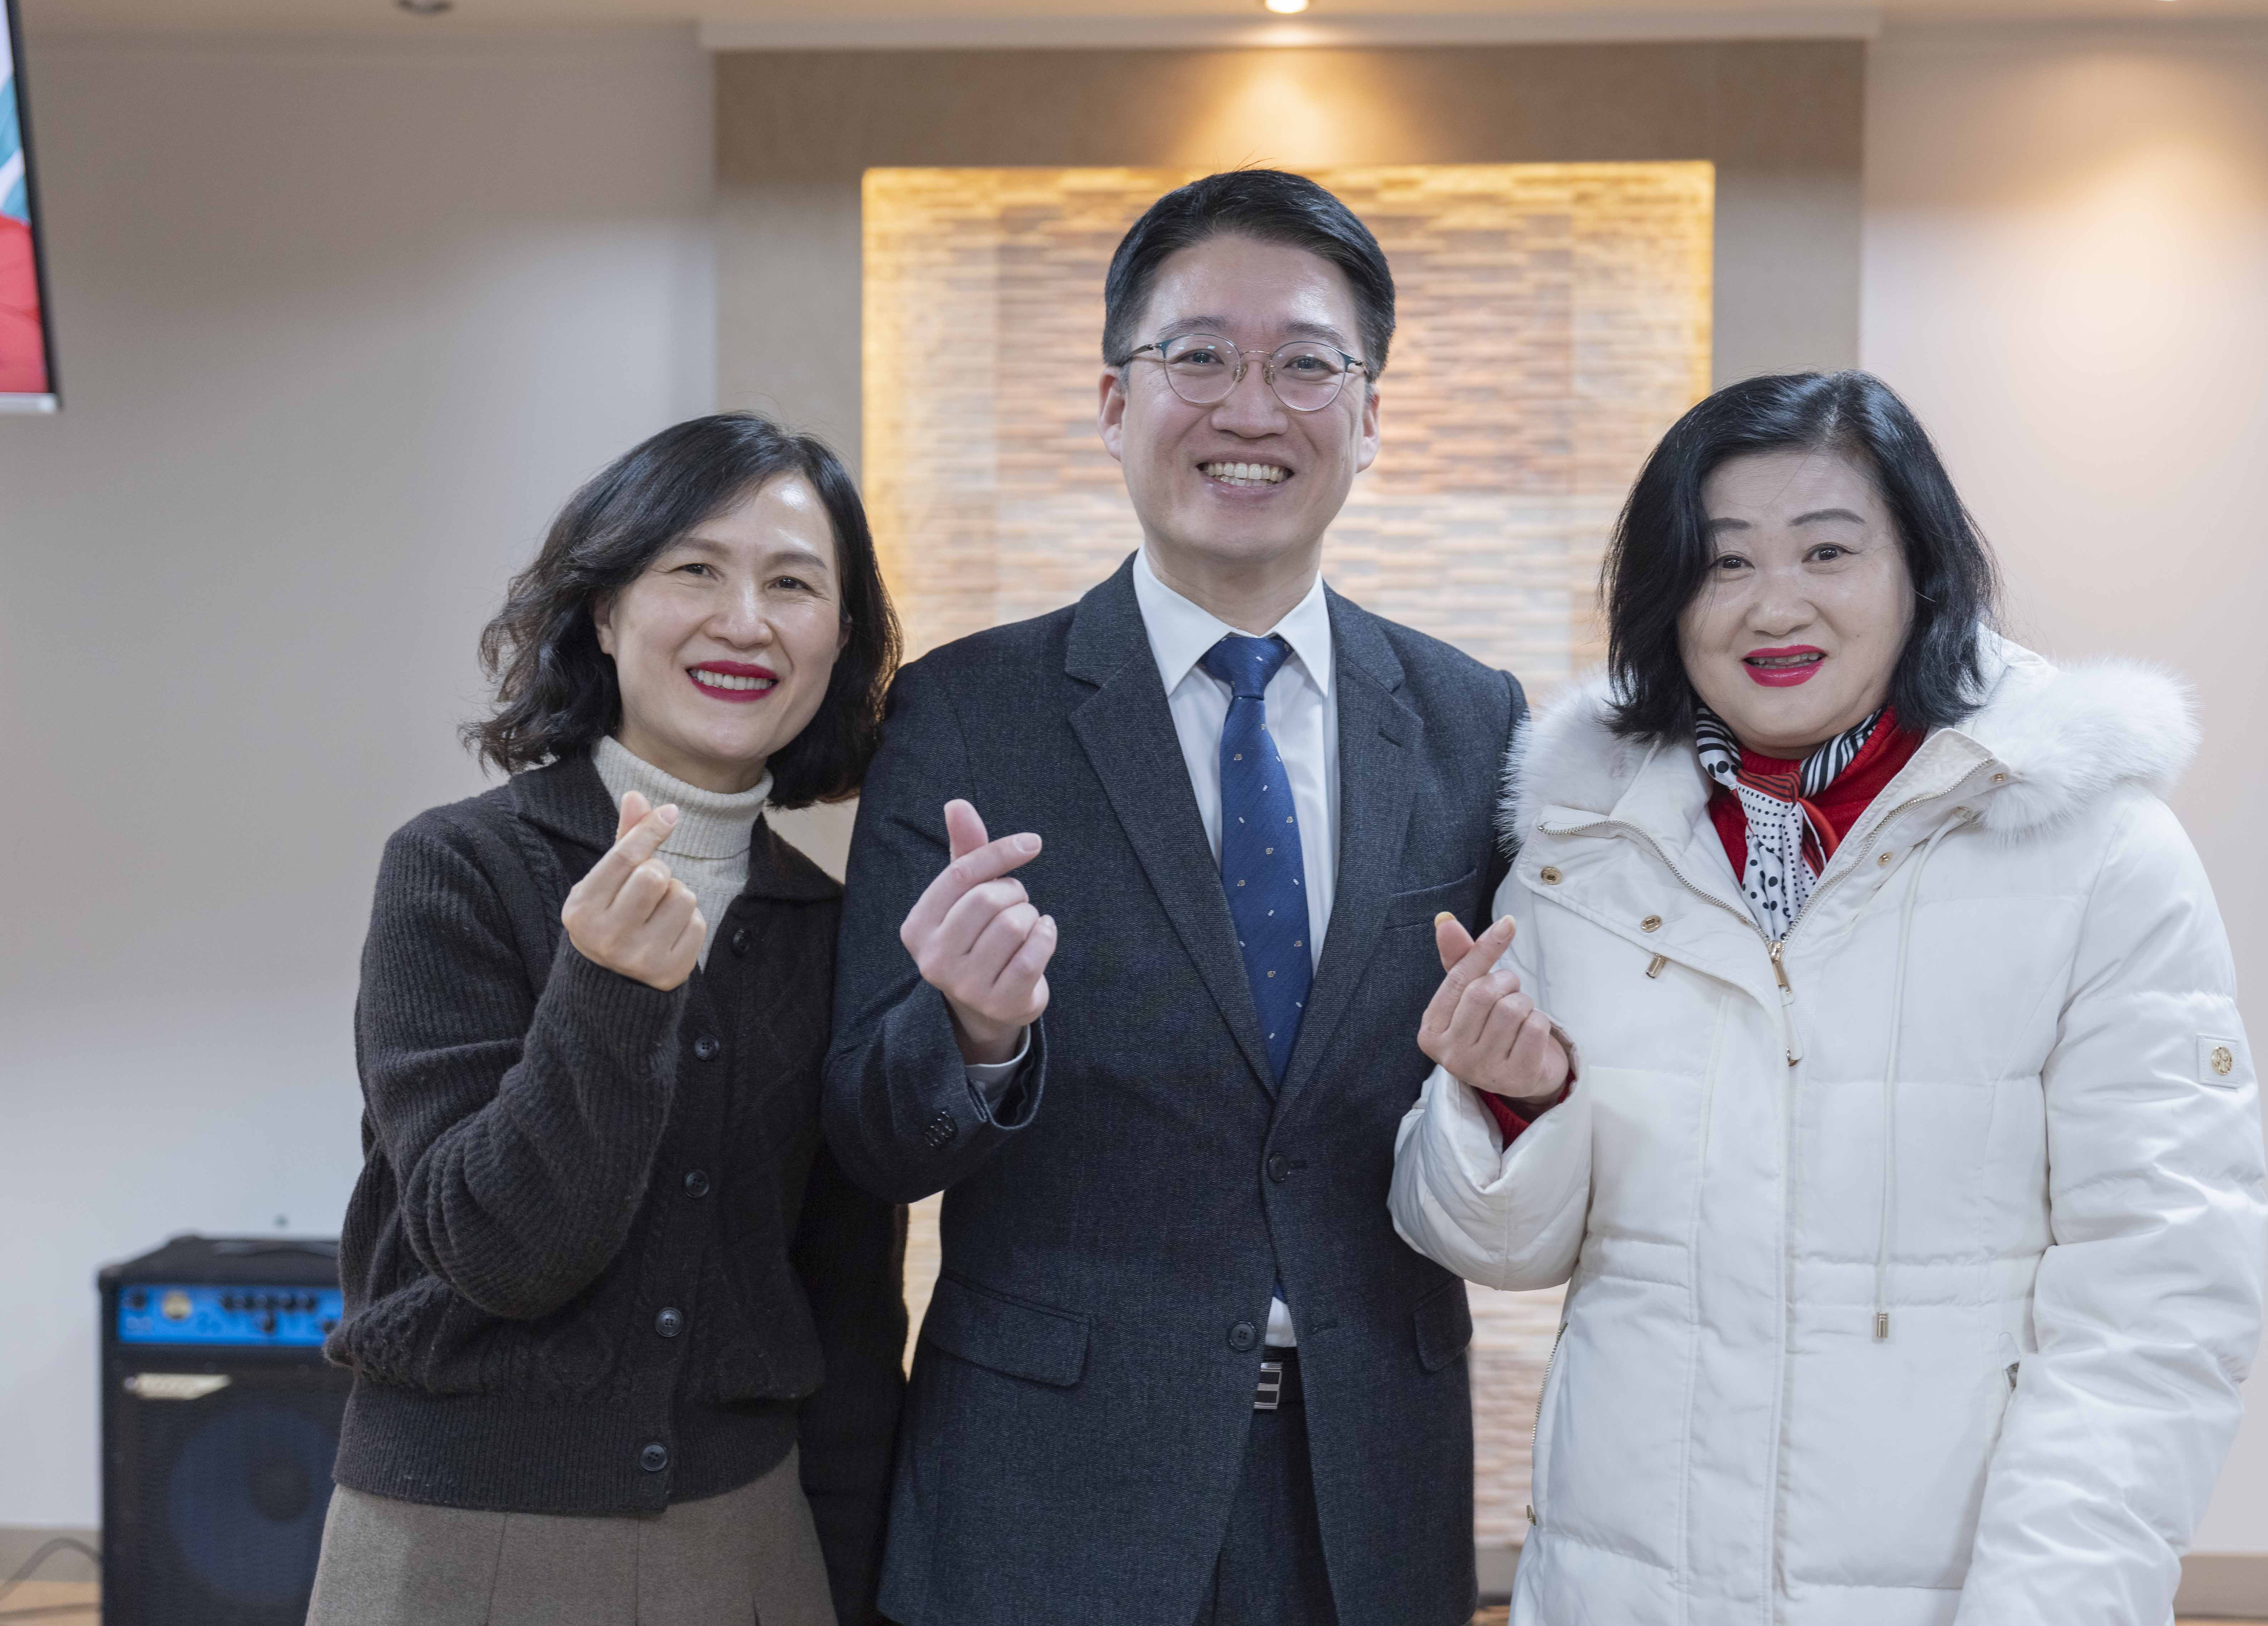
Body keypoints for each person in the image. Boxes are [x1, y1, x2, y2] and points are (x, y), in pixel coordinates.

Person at [1390, 370, 2268, 1625]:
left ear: (1922, 572)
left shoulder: (2096, 854)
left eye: (1828, 551)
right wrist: (1513, 1104)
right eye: (1725, 562)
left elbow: (2161, 1292)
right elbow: (1501, 1249)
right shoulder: (1583, 848)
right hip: (1627, 1587)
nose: (1775, 604)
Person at [823, 169, 1524, 1626]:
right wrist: (971, 1036)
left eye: (1307, 364)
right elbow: (868, 1140)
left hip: (1367, 1488)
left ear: (1370, 414)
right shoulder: (965, 713)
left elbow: (1512, 1111)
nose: (1251, 409)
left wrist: (1524, 1083)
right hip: (1047, 1492)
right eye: (1199, 356)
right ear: (1112, 401)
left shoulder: (1473, 723)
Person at [310, 414, 908, 1626]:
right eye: (696, 569)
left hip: (752, 1548)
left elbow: (849, 1319)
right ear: (604, 610)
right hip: (459, 1537)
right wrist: (609, 990)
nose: (745, 621)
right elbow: (501, 1251)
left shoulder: (830, 924)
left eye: (793, 585)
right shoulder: (458, 870)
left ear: (839, 640)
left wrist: (851, 1588)